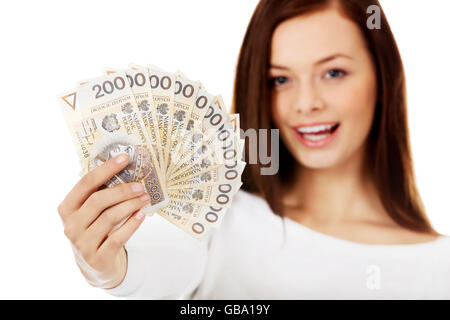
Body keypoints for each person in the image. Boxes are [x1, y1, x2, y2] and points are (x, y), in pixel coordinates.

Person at [57, 0, 450, 299]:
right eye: (280, 80)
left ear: (382, 78)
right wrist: (107, 268)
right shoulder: (218, 218)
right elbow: (154, 269)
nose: (306, 103)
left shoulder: (440, 266)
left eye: (333, 72)